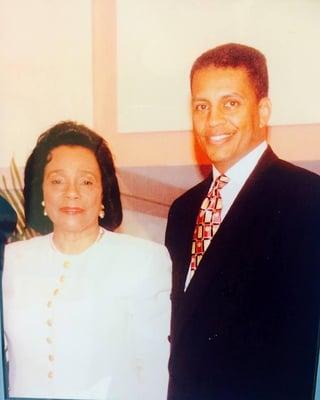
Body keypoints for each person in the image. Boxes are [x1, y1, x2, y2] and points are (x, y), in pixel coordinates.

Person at [165, 43, 320, 400]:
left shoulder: (307, 198)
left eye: (230, 103)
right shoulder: (183, 209)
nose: (213, 120)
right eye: (201, 107)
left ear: (263, 111)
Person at [2, 121, 171, 400]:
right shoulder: (10, 261)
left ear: (103, 192)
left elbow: (155, 372)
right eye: (57, 180)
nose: (72, 192)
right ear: (40, 191)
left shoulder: (143, 260)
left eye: (86, 181)